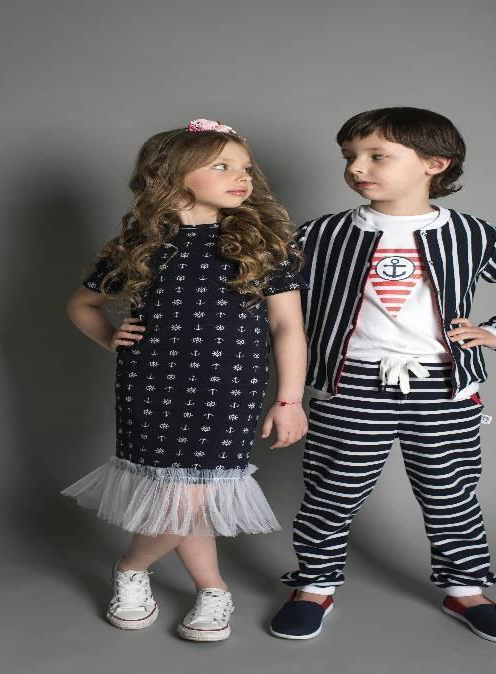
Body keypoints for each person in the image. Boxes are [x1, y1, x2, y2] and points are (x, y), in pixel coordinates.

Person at [269, 107, 496, 642]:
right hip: (349, 383)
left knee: (450, 493)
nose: (358, 167)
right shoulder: (324, 233)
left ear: (434, 163)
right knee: (332, 489)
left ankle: (466, 589)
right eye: (350, 157)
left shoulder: (469, 233)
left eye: (377, 155)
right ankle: (314, 585)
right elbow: (269, 290)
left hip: (443, 386)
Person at [62, 118, 309, 642]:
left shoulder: (262, 244)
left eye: (245, 168)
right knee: (179, 488)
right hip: (152, 383)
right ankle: (212, 587)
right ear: (173, 175)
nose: (241, 177)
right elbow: (82, 305)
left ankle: (132, 567)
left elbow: (287, 326)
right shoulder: (138, 244)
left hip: (230, 386)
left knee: (195, 492)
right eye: (222, 166)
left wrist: (289, 400)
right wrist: (111, 338)